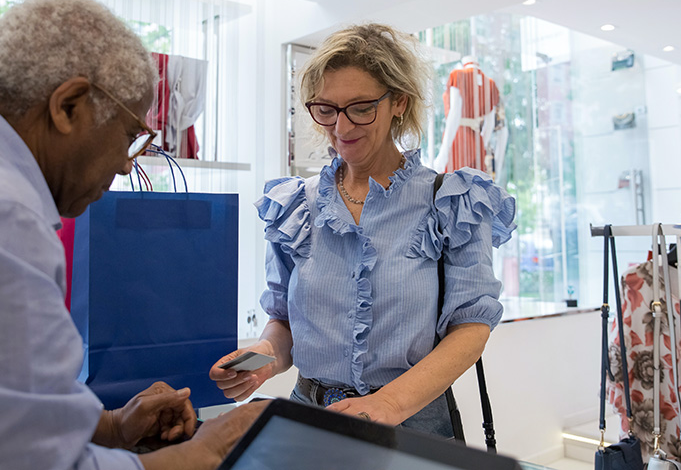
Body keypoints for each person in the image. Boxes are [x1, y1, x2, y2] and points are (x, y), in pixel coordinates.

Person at [0, 0, 263, 470]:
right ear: (68, 106)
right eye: (127, 135)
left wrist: (112, 427)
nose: (122, 164)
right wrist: (206, 451)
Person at [210, 23, 516, 437]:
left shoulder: (450, 200)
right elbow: (282, 321)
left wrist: (387, 403)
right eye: (327, 109)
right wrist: (263, 356)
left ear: (399, 103)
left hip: (412, 422)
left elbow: (471, 329)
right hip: (309, 418)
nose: (342, 127)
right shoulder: (296, 206)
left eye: (360, 108)